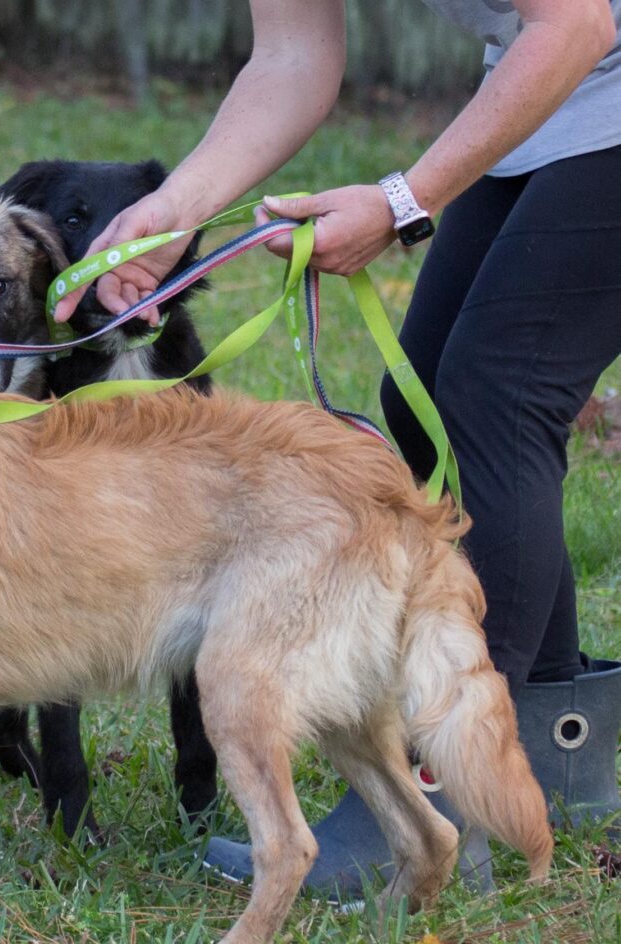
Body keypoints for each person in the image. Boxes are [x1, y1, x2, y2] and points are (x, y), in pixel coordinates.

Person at [54, 0, 621, 896]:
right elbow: (293, 55)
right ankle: (558, 750)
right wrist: (174, 209)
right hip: (565, 92)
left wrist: (403, 201)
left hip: (587, 64)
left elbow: (580, 22)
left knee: (499, 396)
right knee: (425, 391)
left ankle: (446, 796)